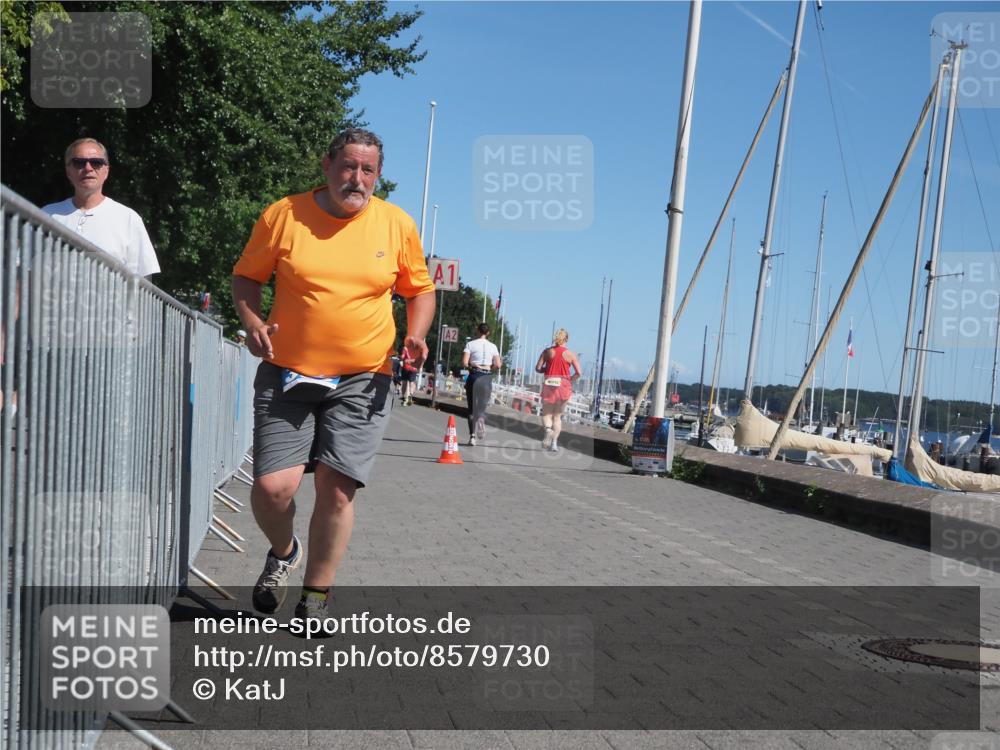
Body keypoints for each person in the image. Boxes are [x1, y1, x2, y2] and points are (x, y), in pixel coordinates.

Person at [231, 128, 435, 621]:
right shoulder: (284, 215)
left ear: (378, 175)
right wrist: (253, 322)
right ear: (327, 165)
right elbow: (246, 276)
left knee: (336, 487)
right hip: (288, 370)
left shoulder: (396, 224)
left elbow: (420, 290)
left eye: (368, 170)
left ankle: (315, 598)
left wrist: (417, 333)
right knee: (273, 489)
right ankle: (284, 553)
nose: (357, 178)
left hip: (364, 375)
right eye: (348, 166)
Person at [42, 138, 160, 277]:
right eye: (78, 162)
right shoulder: (46, 215)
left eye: (96, 162)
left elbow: (143, 283)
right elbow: (24, 272)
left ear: (106, 171)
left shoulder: (128, 219)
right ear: (68, 171)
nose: (88, 168)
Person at [534, 328, 582, 452]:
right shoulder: (571, 354)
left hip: (549, 383)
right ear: (566, 339)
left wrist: (546, 370)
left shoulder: (547, 352)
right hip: (564, 385)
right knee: (557, 417)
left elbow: (538, 368)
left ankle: (548, 431)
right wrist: (570, 379)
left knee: (546, 414)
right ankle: (554, 444)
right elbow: (579, 373)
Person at [461, 323, 501, 446]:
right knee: (482, 405)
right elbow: (498, 365)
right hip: (486, 376)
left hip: (474, 375)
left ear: (477, 331)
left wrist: (472, 365)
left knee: (471, 408)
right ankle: (481, 419)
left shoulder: (470, 344)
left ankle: (472, 437)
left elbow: (464, 362)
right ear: (488, 333)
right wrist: (490, 368)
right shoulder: (493, 346)